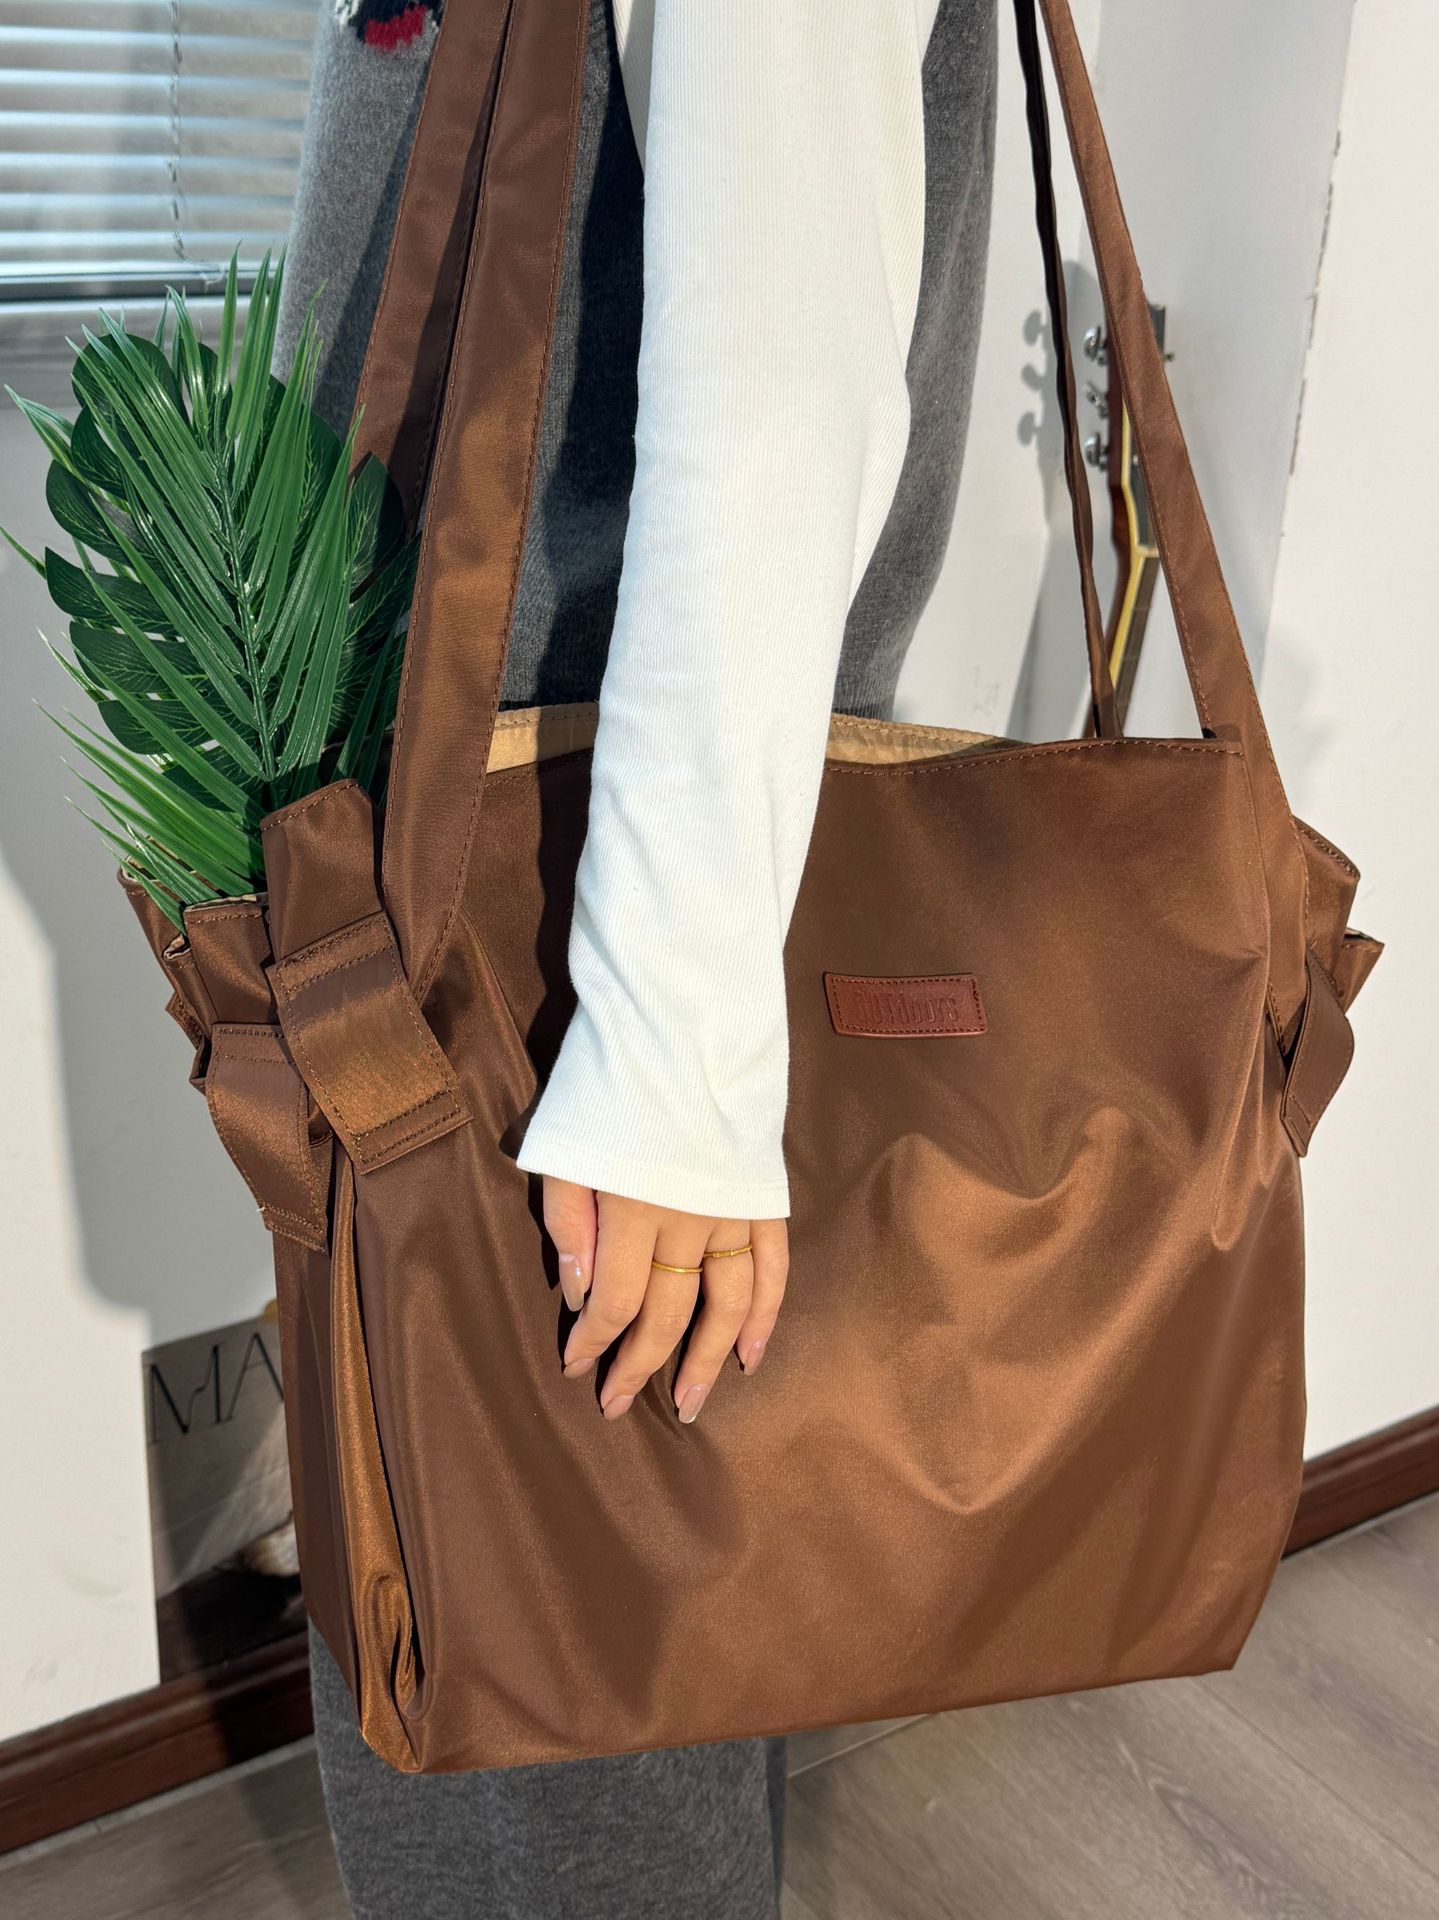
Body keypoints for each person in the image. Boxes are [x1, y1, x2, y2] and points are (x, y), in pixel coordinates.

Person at [276, 0, 997, 1912]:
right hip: (487, 898)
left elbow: (776, 378)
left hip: (550, 939)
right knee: (538, 1685)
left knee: (549, 1731)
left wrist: (670, 1065)